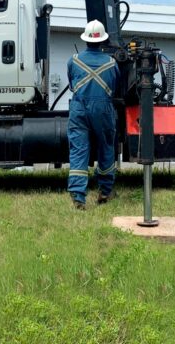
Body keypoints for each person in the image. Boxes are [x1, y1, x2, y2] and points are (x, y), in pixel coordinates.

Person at [67, 20, 120, 210]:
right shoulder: (112, 63)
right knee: (106, 147)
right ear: (103, 41)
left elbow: (73, 85)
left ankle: (78, 196)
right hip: (103, 109)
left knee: (79, 149)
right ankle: (105, 191)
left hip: (79, 108)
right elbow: (114, 87)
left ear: (85, 40)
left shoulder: (73, 60)